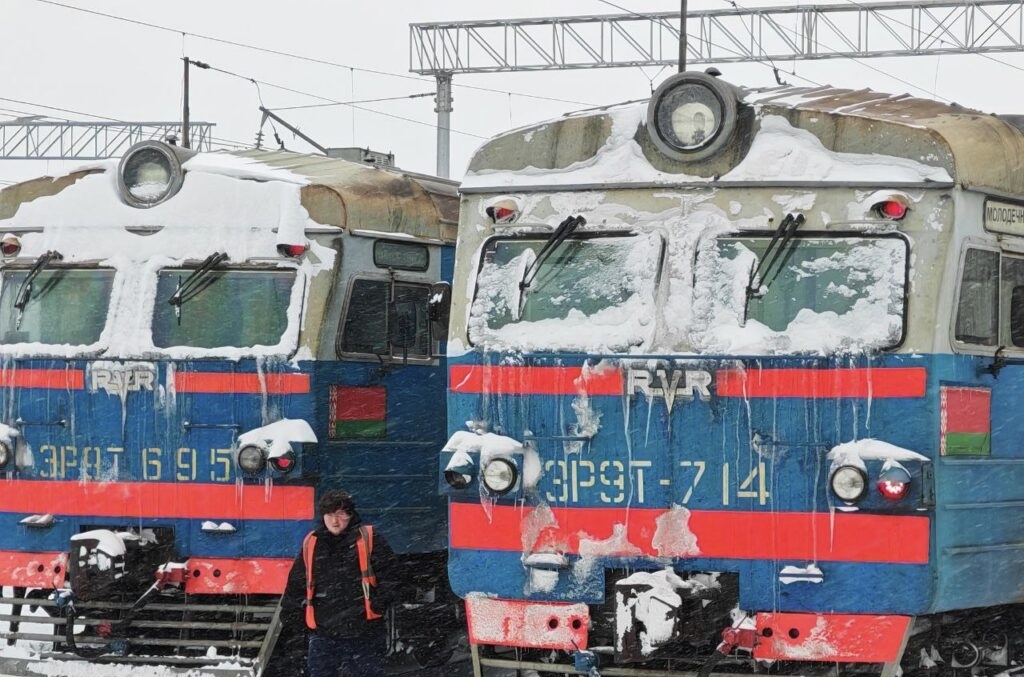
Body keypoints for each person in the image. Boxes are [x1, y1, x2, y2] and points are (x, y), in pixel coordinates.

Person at [281, 490, 399, 677]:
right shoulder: (312, 543)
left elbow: (392, 575)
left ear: (350, 515)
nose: (334, 521)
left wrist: (380, 602)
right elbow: (296, 584)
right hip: (323, 632)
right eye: (329, 515)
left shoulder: (369, 538)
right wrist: (291, 614)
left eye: (340, 515)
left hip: (363, 631)